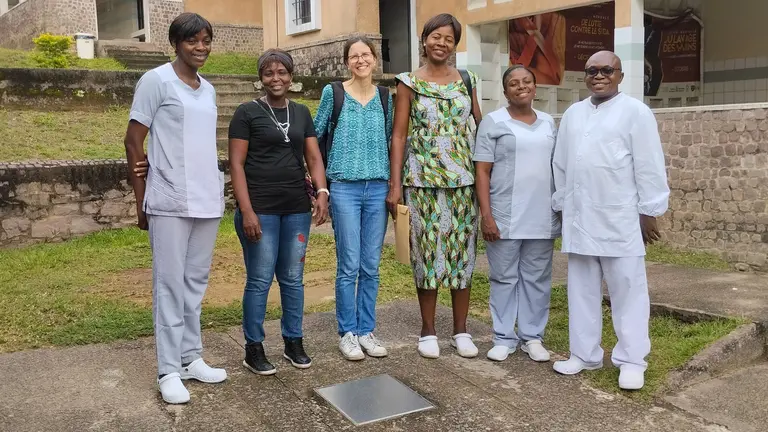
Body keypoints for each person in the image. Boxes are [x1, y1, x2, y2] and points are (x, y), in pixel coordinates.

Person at [123, 12, 227, 404]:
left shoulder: (209, 89)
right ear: (175, 43)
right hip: (168, 198)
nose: (200, 47)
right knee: (169, 284)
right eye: (192, 41)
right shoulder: (156, 81)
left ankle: (190, 357)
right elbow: (134, 141)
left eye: (206, 40)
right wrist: (141, 199)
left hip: (206, 198)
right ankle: (168, 369)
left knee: (194, 284)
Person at [551, 51, 669, 390]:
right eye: (591, 70)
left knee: (628, 291)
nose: (598, 75)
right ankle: (584, 354)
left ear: (619, 75)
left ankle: (631, 360)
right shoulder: (573, 114)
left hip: (620, 218)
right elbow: (561, 165)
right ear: (584, 76)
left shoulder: (636, 113)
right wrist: (562, 204)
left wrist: (649, 213)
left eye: (606, 70)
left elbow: (649, 164)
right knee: (581, 290)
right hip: (581, 217)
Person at [387, 13, 482, 359]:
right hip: (421, 181)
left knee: (462, 254)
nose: (442, 43)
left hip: (463, 183)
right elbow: (398, 136)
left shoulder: (467, 80)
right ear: (424, 39)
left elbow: (479, 128)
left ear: (455, 45)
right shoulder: (408, 82)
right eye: (436, 36)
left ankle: (461, 329)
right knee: (425, 254)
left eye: (449, 39)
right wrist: (394, 185)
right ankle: (428, 330)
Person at [228, 49, 329, 376]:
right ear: (261, 77)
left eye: (282, 72)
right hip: (260, 209)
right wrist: (247, 211)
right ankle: (253, 347)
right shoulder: (246, 113)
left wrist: (322, 192)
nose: (276, 79)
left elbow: (313, 158)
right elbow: (237, 165)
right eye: (269, 73)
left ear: (291, 76)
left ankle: (293, 341)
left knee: (293, 278)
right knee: (259, 280)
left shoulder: (301, 112)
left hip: (296, 209)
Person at [473, 65, 560, 363]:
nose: (521, 86)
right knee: (504, 277)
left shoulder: (549, 123)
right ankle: (503, 337)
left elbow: (557, 168)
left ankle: (532, 336)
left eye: (527, 82)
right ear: (505, 90)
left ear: (535, 87)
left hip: (542, 215)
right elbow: (482, 171)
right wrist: (487, 215)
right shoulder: (493, 123)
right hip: (504, 215)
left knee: (537, 278)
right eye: (513, 83)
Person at [314, 36, 393, 361]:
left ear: (375, 59)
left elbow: (392, 140)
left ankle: (366, 330)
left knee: (371, 265)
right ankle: (347, 333)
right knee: (349, 265)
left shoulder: (386, 97)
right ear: (347, 62)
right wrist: (321, 186)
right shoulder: (333, 94)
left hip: (377, 188)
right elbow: (315, 136)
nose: (360, 60)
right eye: (354, 56)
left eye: (366, 55)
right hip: (344, 187)